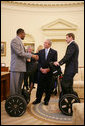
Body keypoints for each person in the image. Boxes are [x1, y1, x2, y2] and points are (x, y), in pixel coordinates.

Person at [10, 28, 38, 95]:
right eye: (24, 34)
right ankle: (13, 100)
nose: (25, 35)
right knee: (14, 87)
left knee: (19, 87)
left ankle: (18, 100)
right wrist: (32, 56)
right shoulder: (15, 40)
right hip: (16, 67)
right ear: (21, 33)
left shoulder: (19, 41)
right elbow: (19, 53)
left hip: (21, 68)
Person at [32, 39, 58, 105]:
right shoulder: (40, 51)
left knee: (48, 87)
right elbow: (38, 62)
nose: (44, 44)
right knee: (40, 87)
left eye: (45, 43)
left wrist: (48, 69)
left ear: (49, 44)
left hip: (49, 73)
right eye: (44, 43)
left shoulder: (54, 52)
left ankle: (46, 100)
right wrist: (41, 69)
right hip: (41, 72)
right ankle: (38, 99)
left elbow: (54, 62)